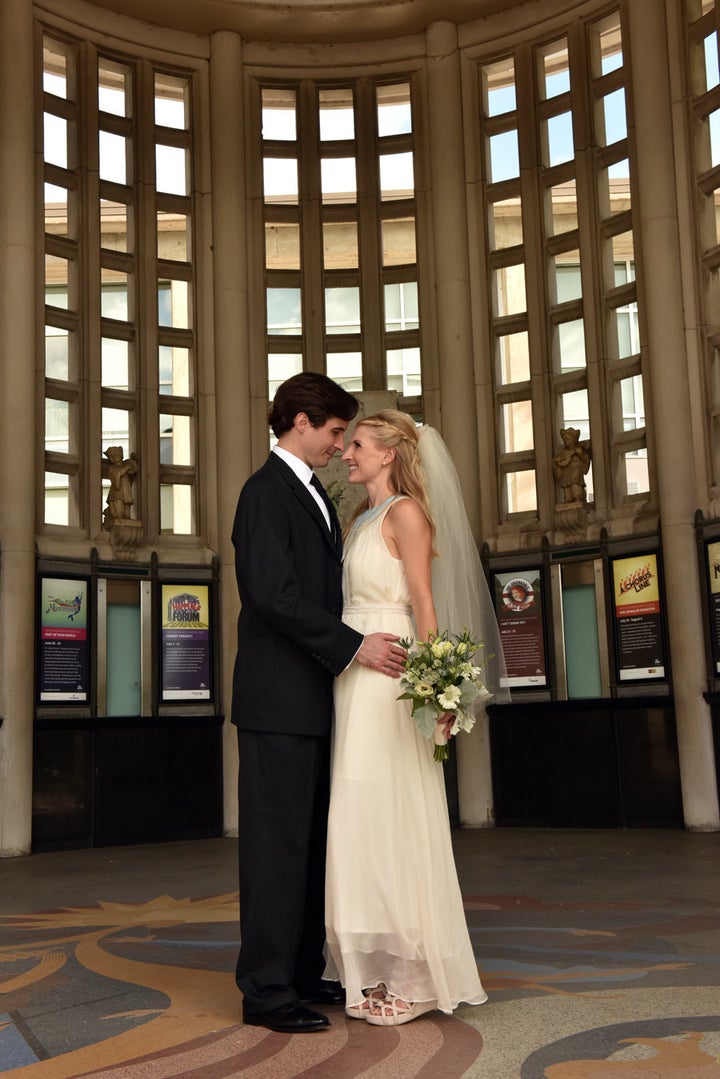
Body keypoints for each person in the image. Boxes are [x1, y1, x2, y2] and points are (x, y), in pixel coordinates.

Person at [231, 374, 407, 1035]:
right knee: (275, 848)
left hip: (311, 698)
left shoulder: (312, 495)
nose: (340, 446)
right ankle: (266, 989)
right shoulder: (263, 493)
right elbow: (272, 597)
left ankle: (302, 970)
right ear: (301, 422)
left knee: (306, 845)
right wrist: (355, 646)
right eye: (336, 432)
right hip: (278, 701)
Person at [324, 409, 508, 1026]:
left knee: (397, 813)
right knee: (359, 814)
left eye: (356, 446)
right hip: (353, 677)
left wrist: (435, 692)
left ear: (388, 454)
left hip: (394, 676)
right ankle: (372, 967)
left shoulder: (405, 513)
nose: (347, 455)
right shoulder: (358, 520)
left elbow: (425, 603)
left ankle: (417, 976)